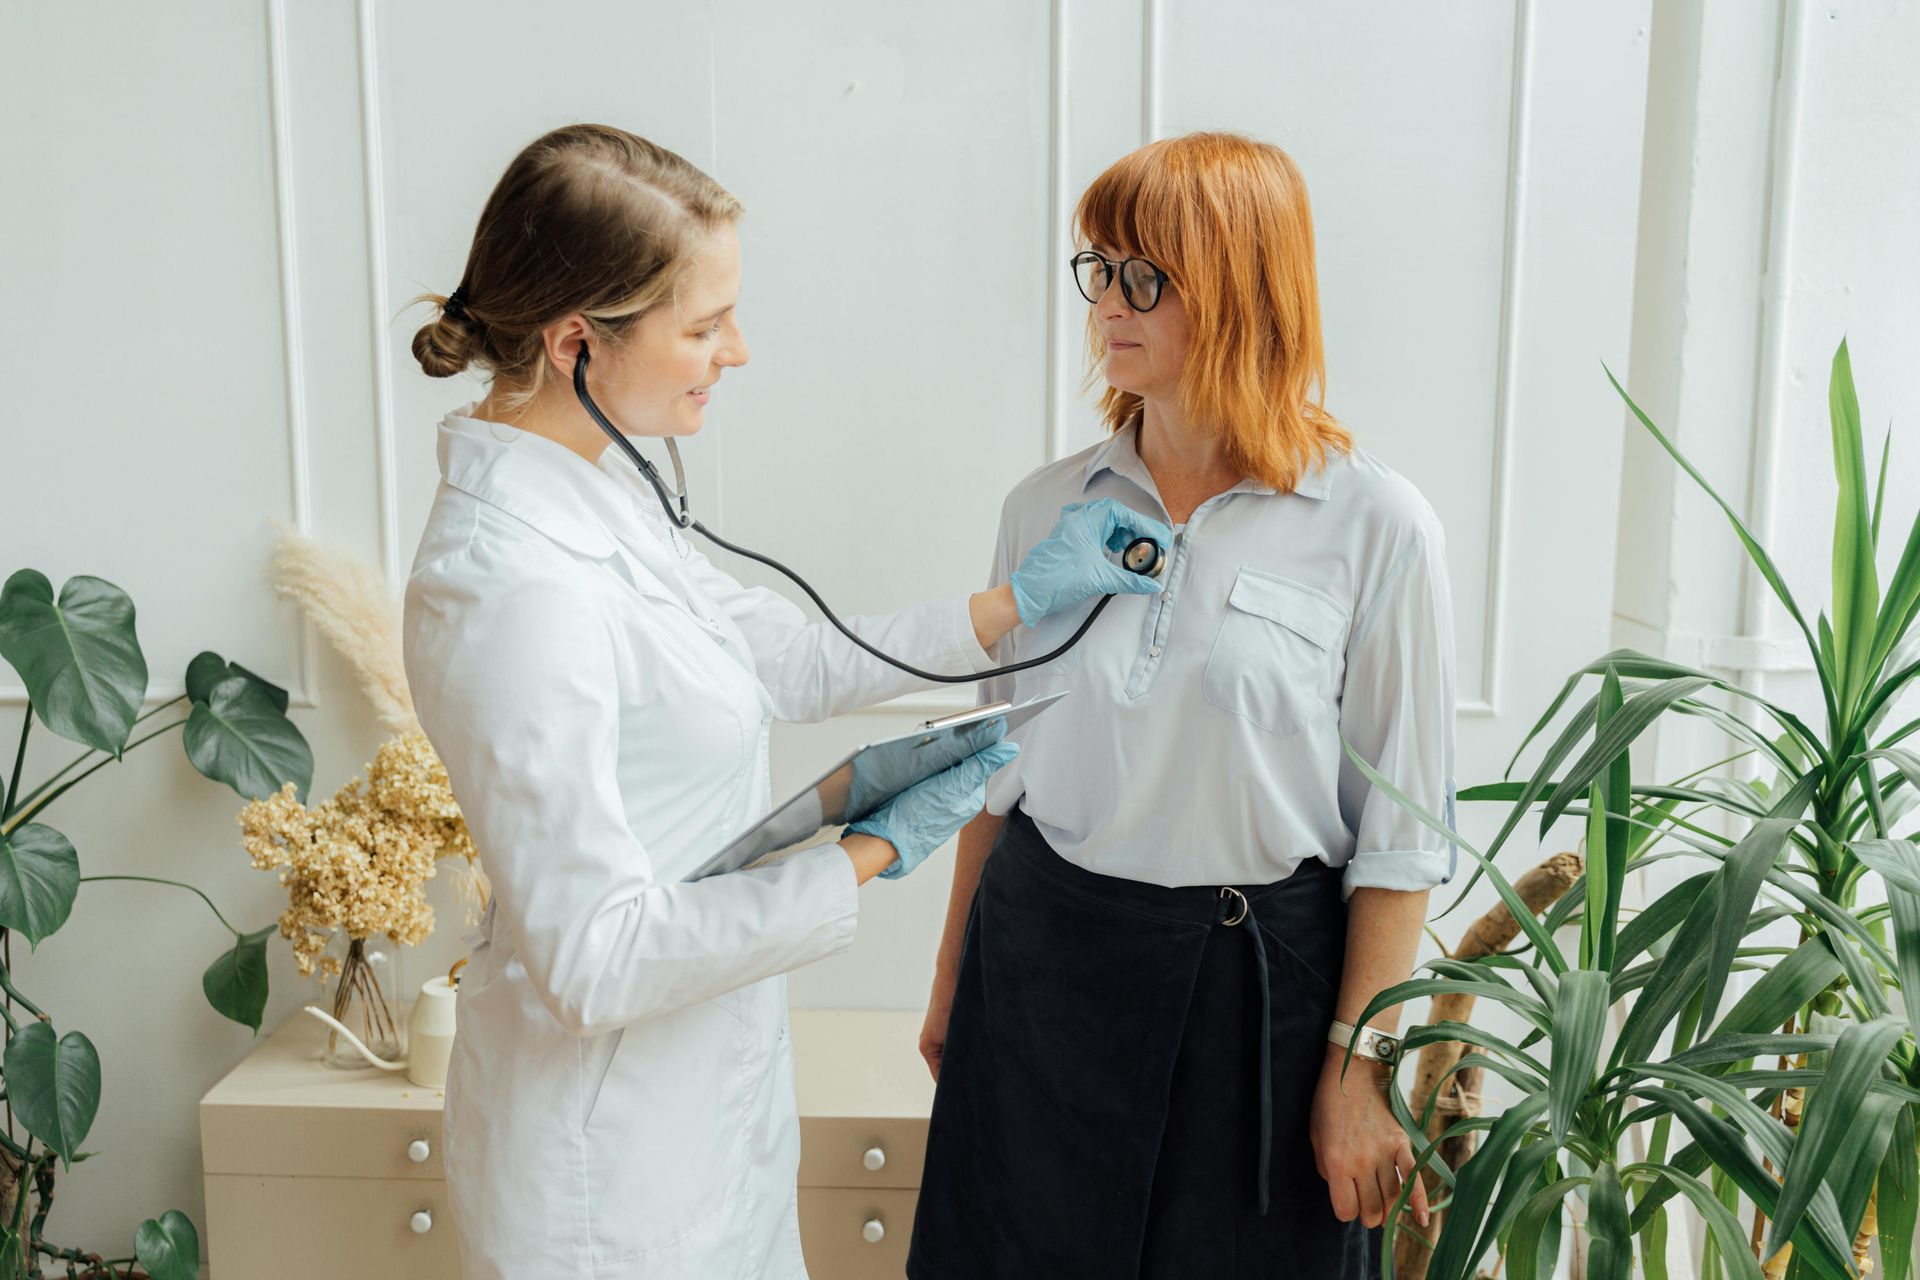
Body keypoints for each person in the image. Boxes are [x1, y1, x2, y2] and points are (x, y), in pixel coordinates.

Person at [399, 123, 1170, 1280]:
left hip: (699, 1116)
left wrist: (1013, 602)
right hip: (604, 1176)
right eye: (704, 325)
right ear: (576, 344)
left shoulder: (601, 495)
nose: (738, 350)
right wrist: (860, 853)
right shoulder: (508, 588)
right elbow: (597, 957)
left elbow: (788, 659)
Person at [907, 131, 1459, 1279]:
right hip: (1044, 973)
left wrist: (1361, 1066)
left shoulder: (1376, 526)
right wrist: (953, 980)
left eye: (1142, 274)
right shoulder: (1044, 505)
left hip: (1258, 1007)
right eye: (1097, 267)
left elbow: (1400, 843)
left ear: (1244, 286)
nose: (1107, 300)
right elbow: (992, 773)